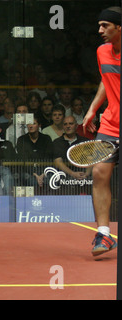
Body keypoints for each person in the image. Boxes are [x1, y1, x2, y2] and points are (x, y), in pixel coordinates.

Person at [82, 6, 120, 256]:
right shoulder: (102, 52)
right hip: (110, 125)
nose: (100, 30)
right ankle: (104, 235)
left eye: (105, 25)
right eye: (99, 25)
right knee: (99, 173)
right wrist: (92, 110)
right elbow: (106, 81)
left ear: (120, 28)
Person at [16, 116, 53, 188]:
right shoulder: (22, 140)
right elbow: (23, 159)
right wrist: (35, 175)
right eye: (29, 124)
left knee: (49, 179)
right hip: (28, 170)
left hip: (44, 170)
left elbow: (49, 157)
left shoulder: (46, 138)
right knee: (31, 181)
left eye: (33, 123)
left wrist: (42, 174)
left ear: (39, 125)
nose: (30, 126)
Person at [53, 115, 91, 181]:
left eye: (71, 123)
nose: (68, 126)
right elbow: (58, 162)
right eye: (65, 124)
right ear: (63, 127)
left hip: (83, 177)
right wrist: (72, 174)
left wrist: (86, 174)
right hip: (64, 178)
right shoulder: (57, 142)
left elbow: (90, 160)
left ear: (76, 126)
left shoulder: (85, 142)